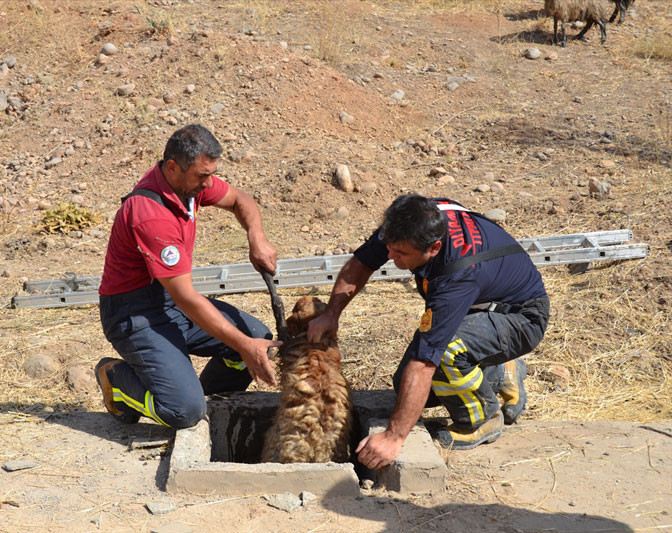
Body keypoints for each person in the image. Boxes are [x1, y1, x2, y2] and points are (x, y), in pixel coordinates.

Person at [308, 194, 550, 468]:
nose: (389, 256)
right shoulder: (411, 220)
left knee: (444, 355)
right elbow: (362, 263)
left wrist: (394, 437)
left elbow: (424, 363)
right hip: (482, 305)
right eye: (389, 247)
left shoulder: (456, 275)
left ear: (433, 248)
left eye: (400, 254)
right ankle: (498, 372)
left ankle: (481, 419)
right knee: (406, 387)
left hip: (520, 317)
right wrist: (331, 314)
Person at [94, 124, 282, 429]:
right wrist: (244, 345)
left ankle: (203, 400)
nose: (209, 184)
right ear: (172, 167)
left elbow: (240, 199)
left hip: (169, 301)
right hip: (134, 313)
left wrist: (256, 237)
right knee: (183, 412)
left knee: (257, 337)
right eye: (202, 176)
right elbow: (187, 297)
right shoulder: (151, 214)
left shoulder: (187, 185)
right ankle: (116, 378)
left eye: (211, 174)